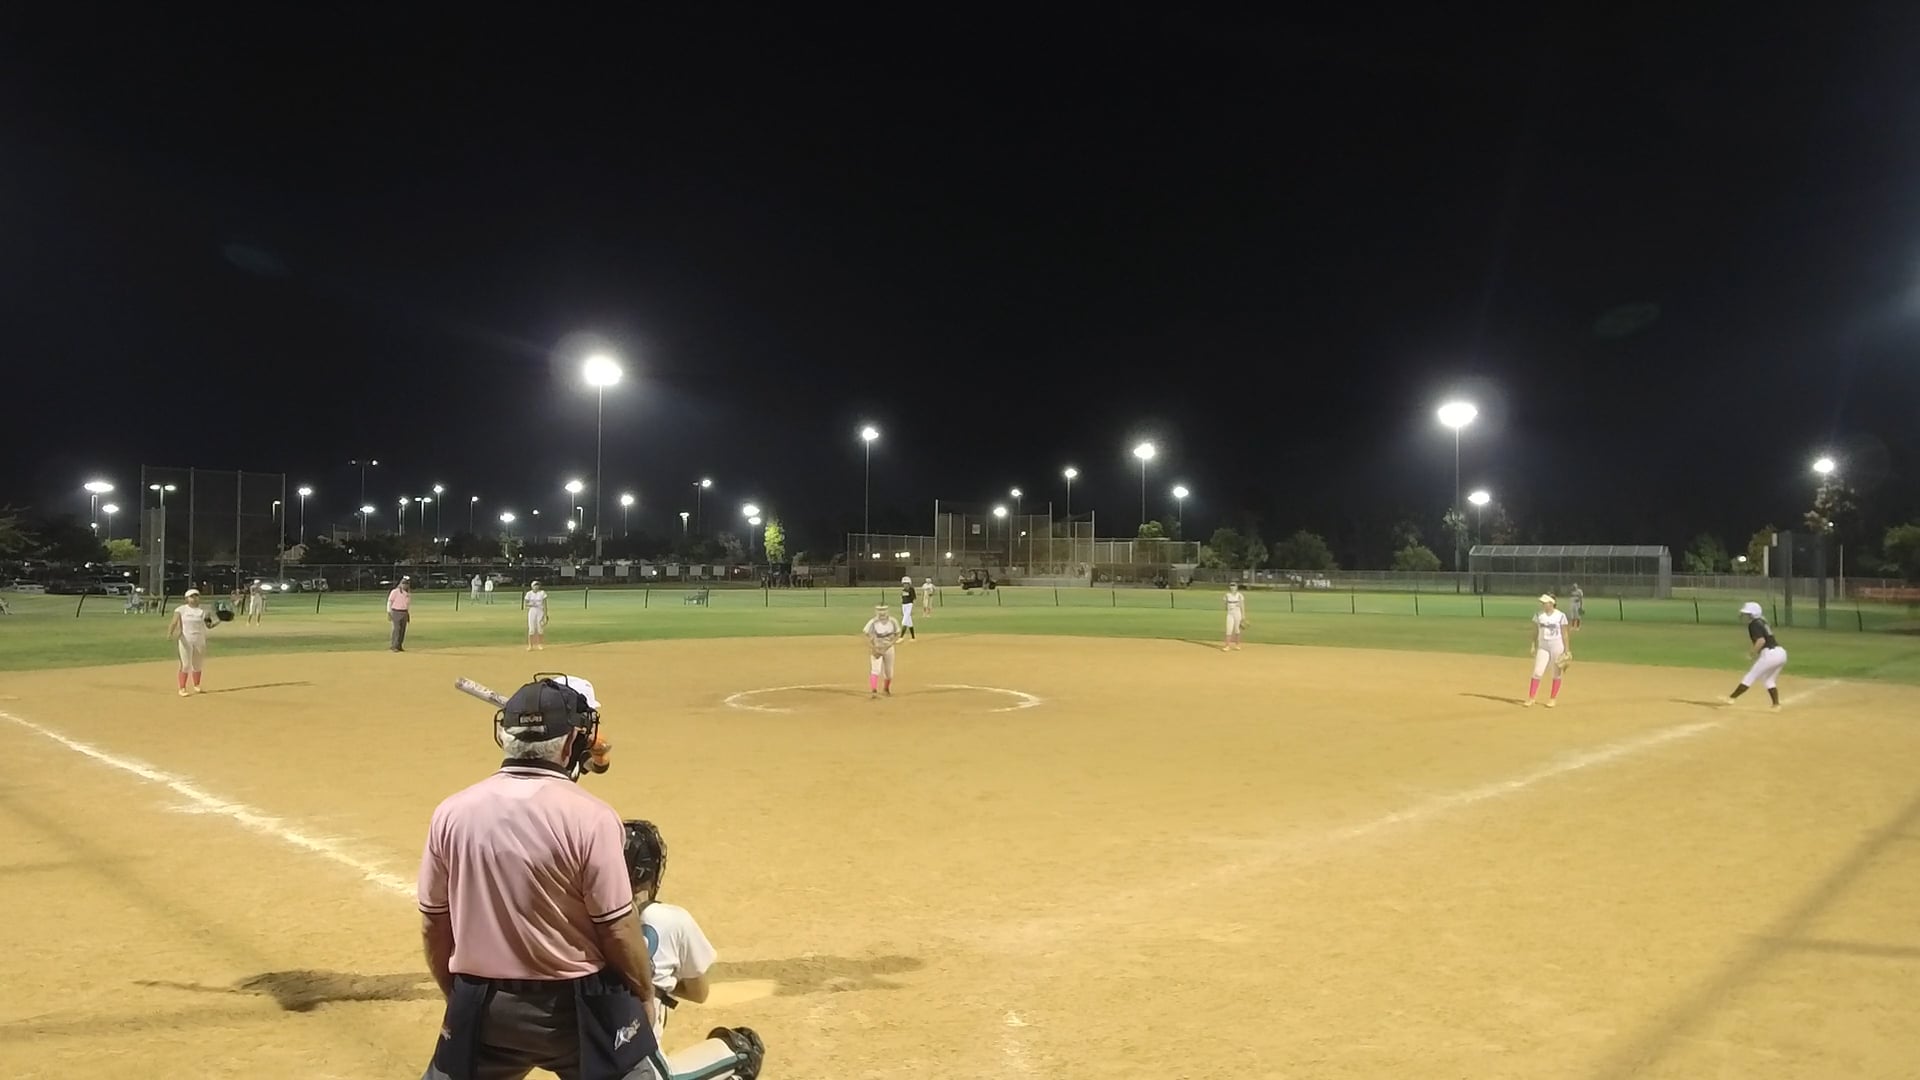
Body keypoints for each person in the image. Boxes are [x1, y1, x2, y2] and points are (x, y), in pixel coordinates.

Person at [417, 676, 664, 1079]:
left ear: (504, 736)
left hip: (483, 1005)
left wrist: (461, 1000)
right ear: (569, 745)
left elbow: (433, 924)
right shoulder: (593, 818)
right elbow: (618, 930)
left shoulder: (451, 813)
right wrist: (644, 994)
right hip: (577, 1010)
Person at [623, 821, 718, 1043]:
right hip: (641, 1057)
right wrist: (659, 983)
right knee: (743, 1048)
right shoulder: (674, 920)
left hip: (588, 1050)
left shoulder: (583, 914)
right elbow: (699, 993)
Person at [1725, 601, 1788, 710]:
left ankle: (1731, 698)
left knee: (1750, 676)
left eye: (1747, 614)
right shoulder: (1763, 621)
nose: (1745, 616)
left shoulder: (1753, 624)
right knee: (1769, 680)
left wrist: (1751, 654)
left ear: (1753, 614)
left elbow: (1761, 641)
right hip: (1781, 653)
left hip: (1770, 654)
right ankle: (1776, 704)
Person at [165, 587, 217, 696]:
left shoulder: (203, 611)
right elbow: (174, 622)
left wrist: (220, 620)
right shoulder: (181, 610)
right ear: (187, 599)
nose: (194, 598)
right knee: (185, 664)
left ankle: (197, 685)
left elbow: (209, 625)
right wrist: (170, 633)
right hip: (186, 639)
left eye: (196, 596)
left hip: (199, 639)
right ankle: (182, 688)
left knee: (197, 664)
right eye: (191, 596)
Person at [1523, 593, 1571, 709]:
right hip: (1543, 646)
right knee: (1537, 672)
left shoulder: (1560, 616)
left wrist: (1567, 650)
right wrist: (1533, 645)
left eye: (1545, 602)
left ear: (1552, 603)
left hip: (1557, 645)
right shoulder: (1538, 615)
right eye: (1543, 603)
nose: (1543, 604)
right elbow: (1535, 632)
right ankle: (1531, 698)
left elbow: (1564, 634)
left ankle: (1552, 699)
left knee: (1556, 673)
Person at [863, 603, 900, 697]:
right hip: (877, 648)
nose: (882, 612)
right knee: (875, 670)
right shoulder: (872, 622)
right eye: (880, 610)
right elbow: (866, 634)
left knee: (889, 672)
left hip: (888, 648)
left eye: (884, 610)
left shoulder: (893, 621)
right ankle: (874, 691)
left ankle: (886, 689)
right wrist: (873, 648)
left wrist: (889, 645)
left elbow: (897, 634)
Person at [387, 576, 413, 652]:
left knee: (402, 630)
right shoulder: (395, 592)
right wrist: (389, 612)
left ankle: (399, 645)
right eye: (404, 583)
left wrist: (408, 614)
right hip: (396, 611)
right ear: (400, 584)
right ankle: (394, 646)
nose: (405, 585)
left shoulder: (407, 593)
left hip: (404, 612)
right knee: (396, 629)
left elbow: (407, 605)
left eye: (407, 584)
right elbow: (390, 602)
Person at [525, 580, 550, 651]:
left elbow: (545, 604)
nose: (536, 587)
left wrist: (545, 614)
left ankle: (540, 644)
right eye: (535, 585)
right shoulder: (529, 594)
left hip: (540, 611)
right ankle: (530, 645)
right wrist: (532, 604)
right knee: (531, 629)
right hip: (532, 611)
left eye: (537, 585)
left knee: (540, 629)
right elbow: (526, 604)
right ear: (532, 586)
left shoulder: (542, 593)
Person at [1223, 581, 1248, 651]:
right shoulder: (1226, 595)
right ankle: (1227, 646)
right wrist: (1229, 606)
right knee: (1229, 629)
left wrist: (1243, 615)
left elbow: (1242, 606)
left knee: (1237, 629)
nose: (1232, 587)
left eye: (1234, 586)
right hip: (1230, 614)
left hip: (1237, 613)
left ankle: (1237, 645)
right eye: (1231, 586)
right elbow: (1225, 606)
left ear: (1236, 587)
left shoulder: (1239, 595)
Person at [899, 576, 917, 641]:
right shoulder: (903, 590)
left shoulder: (911, 589)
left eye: (906, 583)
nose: (905, 585)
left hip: (909, 605)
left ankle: (901, 637)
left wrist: (912, 609)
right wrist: (902, 609)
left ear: (909, 583)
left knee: (904, 621)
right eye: (904, 583)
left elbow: (914, 598)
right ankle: (913, 637)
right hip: (904, 605)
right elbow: (902, 599)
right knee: (909, 622)